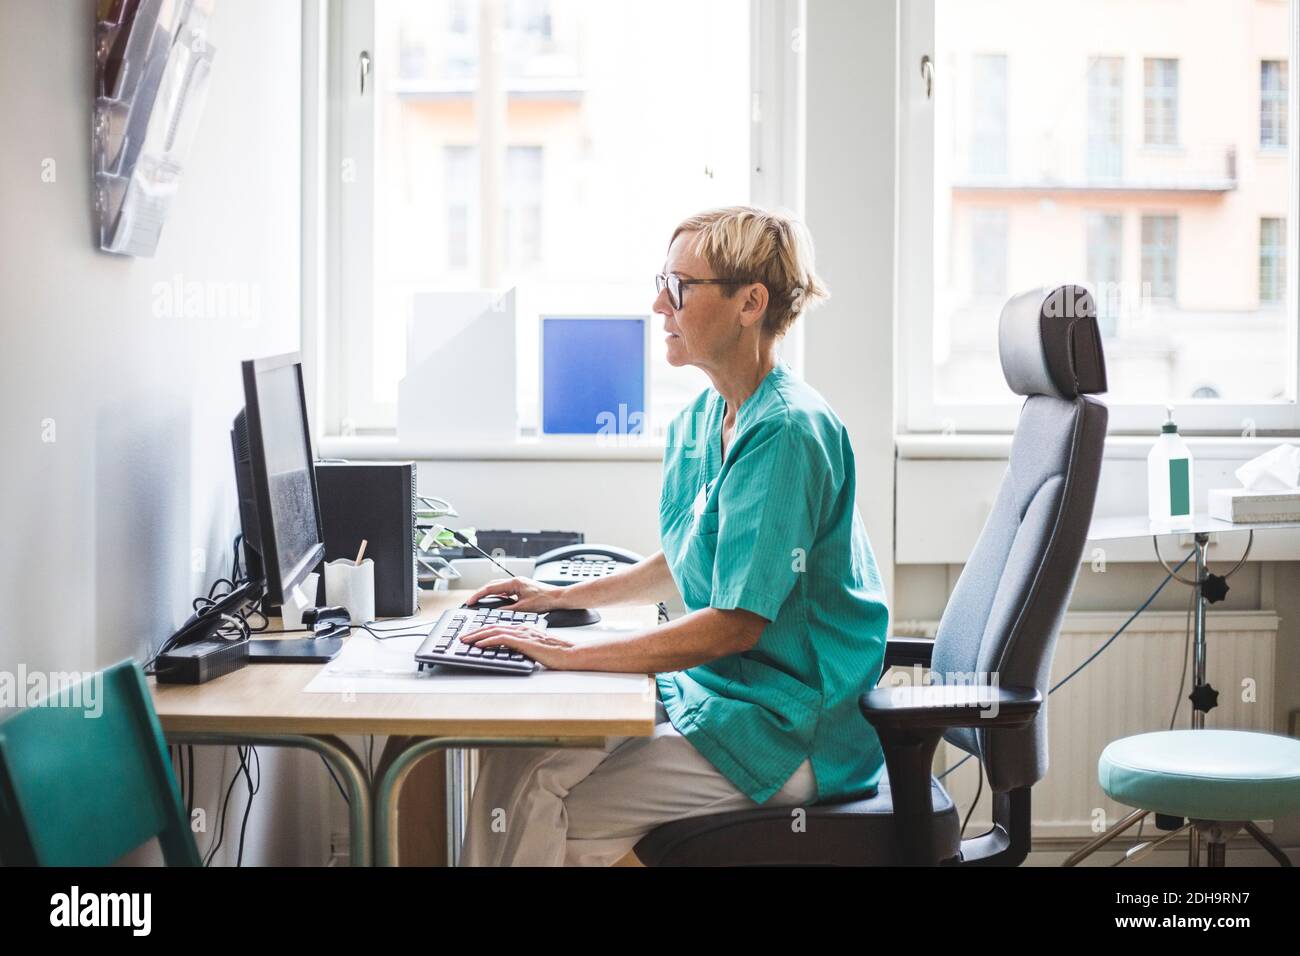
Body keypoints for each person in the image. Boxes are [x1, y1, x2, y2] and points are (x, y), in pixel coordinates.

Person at [457, 205, 889, 866]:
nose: (660, 303)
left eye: (681, 287)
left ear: (751, 302)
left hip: (789, 730)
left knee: (547, 798)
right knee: (518, 759)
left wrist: (572, 657)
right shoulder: (709, 415)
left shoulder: (786, 431)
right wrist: (554, 597)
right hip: (725, 695)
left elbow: (736, 622)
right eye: (663, 281)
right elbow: (690, 554)